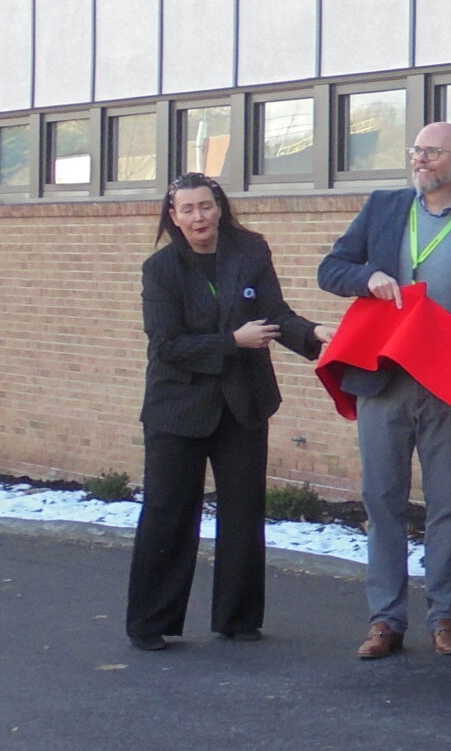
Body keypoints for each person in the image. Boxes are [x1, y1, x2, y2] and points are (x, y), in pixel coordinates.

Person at [127, 174, 330, 649]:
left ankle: (238, 619)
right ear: (173, 217)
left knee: (243, 512)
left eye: (206, 206)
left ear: (219, 207)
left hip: (243, 402)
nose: (199, 217)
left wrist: (316, 334)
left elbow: (276, 313)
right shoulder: (160, 269)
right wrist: (230, 342)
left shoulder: (250, 250)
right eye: (188, 210)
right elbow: (167, 344)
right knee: (168, 513)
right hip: (178, 406)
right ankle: (150, 623)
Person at [318, 122, 451, 659]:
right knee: (383, 501)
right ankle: (386, 621)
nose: (421, 160)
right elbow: (332, 268)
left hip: (447, 383)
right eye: (416, 151)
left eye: (433, 153)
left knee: (445, 506)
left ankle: (444, 617)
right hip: (384, 378)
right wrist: (367, 277)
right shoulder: (385, 207)